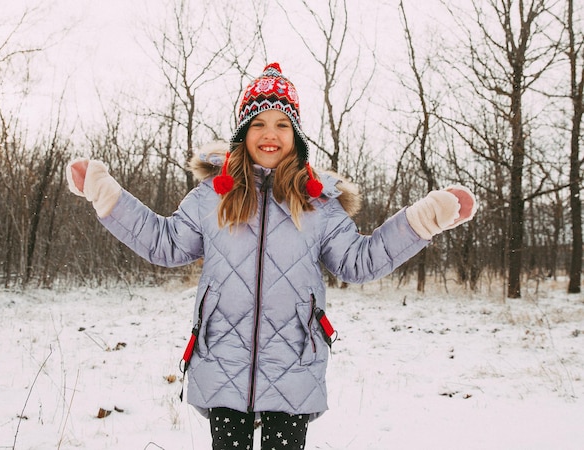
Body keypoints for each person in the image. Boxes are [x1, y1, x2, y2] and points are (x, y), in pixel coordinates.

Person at [66, 62, 477, 450]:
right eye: (259, 122)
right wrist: (109, 198)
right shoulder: (213, 196)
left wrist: (421, 220)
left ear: (295, 135)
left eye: (282, 124)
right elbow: (165, 242)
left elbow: (359, 261)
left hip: (295, 361)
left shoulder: (318, 205)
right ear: (243, 132)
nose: (270, 133)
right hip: (221, 357)